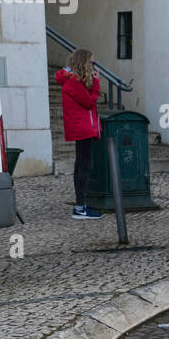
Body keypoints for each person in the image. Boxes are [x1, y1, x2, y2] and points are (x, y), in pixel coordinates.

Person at [56, 49, 104, 219]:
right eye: (92, 62)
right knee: (84, 166)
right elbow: (89, 101)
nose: (93, 65)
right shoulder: (74, 82)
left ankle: (80, 205)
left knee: (81, 165)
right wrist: (97, 82)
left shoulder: (75, 80)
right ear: (84, 62)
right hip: (82, 128)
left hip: (83, 127)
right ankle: (79, 208)